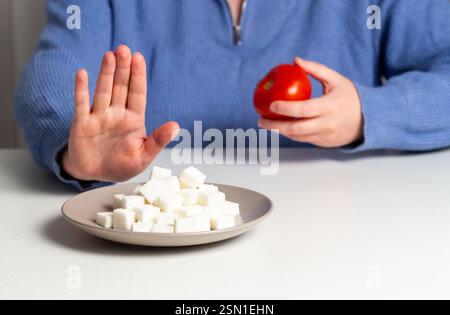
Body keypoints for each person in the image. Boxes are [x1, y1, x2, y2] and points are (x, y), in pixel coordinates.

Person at [14, 0, 450, 190]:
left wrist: (368, 112)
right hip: (156, 232)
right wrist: (71, 146)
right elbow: (54, 72)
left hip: (334, 230)